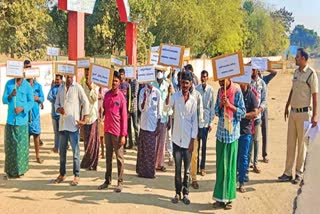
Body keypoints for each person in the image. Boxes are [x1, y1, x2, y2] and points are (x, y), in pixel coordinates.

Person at [278, 48, 318, 184]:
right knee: (290, 143)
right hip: (293, 113)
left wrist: (315, 116)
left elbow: (315, 96)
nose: (295, 58)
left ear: (303, 58)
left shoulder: (311, 74)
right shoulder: (296, 72)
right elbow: (292, 90)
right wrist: (286, 106)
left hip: (304, 114)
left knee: (302, 144)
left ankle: (299, 173)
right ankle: (288, 173)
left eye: (297, 57)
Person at [212, 78, 245, 210]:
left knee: (231, 167)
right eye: (219, 81)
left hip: (232, 135)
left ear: (228, 78)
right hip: (221, 134)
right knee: (220, 167)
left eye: (222, 81)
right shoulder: (220, 91)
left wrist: (230, 105)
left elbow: (242, 112)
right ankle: (220, 198)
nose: (220, 83)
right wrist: (221, 104)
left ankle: (229, 198)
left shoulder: (237, 91)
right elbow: (216, 111)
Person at [52, 75, 89, 186]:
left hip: (73, 125)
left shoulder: (77, 87)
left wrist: (84, 119)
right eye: (67, 76)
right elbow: (56, 103)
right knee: (62, 152)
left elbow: (85, 102)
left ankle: (76, 175)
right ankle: (62, 174)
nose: (69, 78)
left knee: (75, 153)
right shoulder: (60, 88)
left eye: (71, 76)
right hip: (63, 125)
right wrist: (58, 109)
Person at [169, 71, 198, 205]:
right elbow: (167, 107)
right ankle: (177, 192)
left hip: (188, 141)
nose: (185, 85)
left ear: (191, 84)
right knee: (177, 170)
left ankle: (186, 193)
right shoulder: (175, 96)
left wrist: (193, 140)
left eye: (187, 83)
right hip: (176, 140)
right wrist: (169, 93)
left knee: (186, 170)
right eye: (183, 83)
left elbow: (195, 122)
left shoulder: (193, 100)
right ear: (180, 83)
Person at [2, 64, 34, 178]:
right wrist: (10, 95)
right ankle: (10, 170)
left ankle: (20, 170)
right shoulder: (9, 84)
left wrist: (22, 108)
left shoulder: (27, 86)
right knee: (10, 147)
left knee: (21, 147)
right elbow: (4, 100)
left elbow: (31, 102)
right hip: (11, 121)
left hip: (22, 122)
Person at [98, 71, 128, 192]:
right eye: (112, 81)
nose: (114, 83)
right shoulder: (107, 95)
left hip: (117, 132)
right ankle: (107, 180)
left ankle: (120, 182)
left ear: (119, 82)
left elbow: (124, 117)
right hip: (107, 130)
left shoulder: (121, 98)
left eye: (116, 81)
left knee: (119, 158)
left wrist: (123, 135)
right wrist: (101, 110)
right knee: (108, 157)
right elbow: (104, 110)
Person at [136, 82, 162, 178]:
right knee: (142, 150)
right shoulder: (142, 91)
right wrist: (145, 98)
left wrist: (159, 125)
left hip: (152, 125)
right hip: (143, 125)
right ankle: (142, 172)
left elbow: (159, 110)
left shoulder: (157, 93)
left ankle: (150, 172)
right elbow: (141, 108)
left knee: (151, 151)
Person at [237, 82, 258, 193]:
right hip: (235, 131)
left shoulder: (251, 95)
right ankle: (235, 180)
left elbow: (255, 114)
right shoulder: (236, 93)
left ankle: (241, 182)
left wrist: (241, 114)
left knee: (244, 158)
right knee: (235, 157)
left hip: (246, 131)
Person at [196, 70, 215, 177]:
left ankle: (202, 167)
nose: (203, 78)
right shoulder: (196, 89)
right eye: (202, 76)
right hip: (198, 121)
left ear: (207, 78)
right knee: (196, 146)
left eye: (205, 77)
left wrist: (211, 122)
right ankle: (196, 166)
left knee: (204, 146)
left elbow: (212, 107)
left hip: (206, 122)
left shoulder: (210, 90)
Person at [80, 68, 99, 170]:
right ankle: (86, 162)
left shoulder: (95, 85)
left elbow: (95, 98)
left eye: (89, 71)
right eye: (85, 71)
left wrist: (90, 86)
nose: (87, 73)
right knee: (86, 141)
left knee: (92, 142)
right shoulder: (82, 85)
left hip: (93, 116)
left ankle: (92, 163)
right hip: (85, 116)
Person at [153, 68, 172, 172]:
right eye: (158, 70)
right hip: (154, 117)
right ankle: (153, 162)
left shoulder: (167, 84)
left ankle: (160, 163)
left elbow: (168, 103)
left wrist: (169, 117)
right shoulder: (152, 83)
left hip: (164, 116)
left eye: (161, 70)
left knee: (162, 141)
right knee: (154, 141)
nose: (159, 72)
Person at [249, 68, 267, 173]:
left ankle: (255, 163)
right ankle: (248, 162)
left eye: (254, 69)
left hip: (257, 117)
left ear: (257, 71)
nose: (252, 71)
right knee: (248, 140)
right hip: (248, 117)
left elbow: (264, 100)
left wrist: (259, 110)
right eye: (251, 69)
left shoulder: (262, 83)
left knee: (256, 140)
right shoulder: (246, 82)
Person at [258, 69, 278, 163]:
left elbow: (274, 72)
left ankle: (264, 154)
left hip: (264, 109)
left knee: (264, 132)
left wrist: (265, 66)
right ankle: (252, 158)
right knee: (253, 134)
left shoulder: (264, 79)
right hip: (254, 109)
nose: (257, 71)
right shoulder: (250, 80)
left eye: (259, 69)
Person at [26, 77, 45, 164]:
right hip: (25, 115)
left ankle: (38, 156)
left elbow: (42, 98)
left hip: (35, 115)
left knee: (36, 136)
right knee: (25, 137)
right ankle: (25, 157)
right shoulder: (22, 85)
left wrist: (37, 98)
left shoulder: (38, 86)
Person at [189, 83, 203, 189]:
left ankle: (193, 178)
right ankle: (186, 178)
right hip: (183, 131)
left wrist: (199, 129)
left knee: (194, 156)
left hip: (194, 131)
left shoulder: (197, 95)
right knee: (184, 156)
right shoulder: (180, 94)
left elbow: (200, 113)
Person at [47, 74, 63, 153]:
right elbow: (49, 97)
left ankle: (63, 145)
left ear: (61, 80)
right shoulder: (53, 88)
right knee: (56, 132)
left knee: (62, 131)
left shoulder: (63, 88)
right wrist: (56, 99)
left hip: (62, 114)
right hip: (54, 113)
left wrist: (56, 98)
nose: (57, 81)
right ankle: (56, 147)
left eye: (58, 79)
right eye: (56, 79)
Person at [118, 68, 131, 149]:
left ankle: (125, 144)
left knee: (125, 127)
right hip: (118, 110)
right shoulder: (117, 84)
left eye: (122, 74)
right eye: (120, 74)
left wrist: (129, 110)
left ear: (124, 75)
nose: (121, 76)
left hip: (125, 110)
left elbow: (129, 98)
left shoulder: (127, 85)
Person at [128, 78, 139, 149]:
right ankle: (130, 143)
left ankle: (137, 142)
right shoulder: (126, 82)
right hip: (127, 108)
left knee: (135, 125)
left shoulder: (135, 82)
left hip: (133, 107)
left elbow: (134, 94)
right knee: (128, 127)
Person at [98, 87, 108, 159]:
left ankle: (110, 151)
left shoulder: (106, 90)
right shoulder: (96, 88)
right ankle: (102, 152)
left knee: (107, 135)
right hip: (97, 114)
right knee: (100, 135)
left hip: (105, 114)